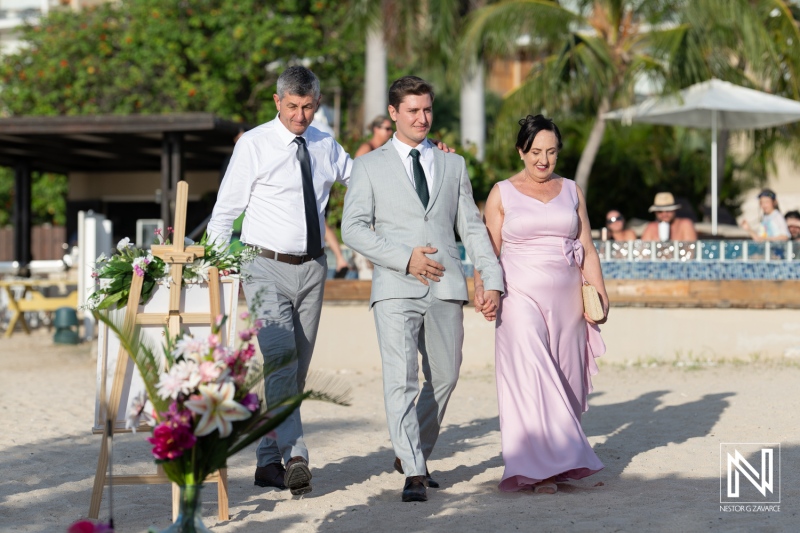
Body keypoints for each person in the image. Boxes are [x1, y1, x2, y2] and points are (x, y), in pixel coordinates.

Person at [341, 76, 503, 503]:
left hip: (447, 284)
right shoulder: (368, 165)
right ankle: (414, 470)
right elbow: (352, 229)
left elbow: (472, 227)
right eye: (412, 111)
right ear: (394, 113)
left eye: (427, 109)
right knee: (402, 379)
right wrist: (403, 257)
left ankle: (411, 450)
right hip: (395, 285)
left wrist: (493, 279)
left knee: (446, 377)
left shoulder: (454, 164)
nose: (422, 118)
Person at [207, 66, 353, 496]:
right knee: (279, 358)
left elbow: (365, 178)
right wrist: (213, 270)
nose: (300, 116)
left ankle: (267, 464)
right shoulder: (253, 144)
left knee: (294, 370)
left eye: (308, 107)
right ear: (277, 102)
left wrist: (424, 154)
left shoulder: (326, 145)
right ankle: (296, 454)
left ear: (317, 104)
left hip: (312, 269)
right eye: (292, 106)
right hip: (262, 267)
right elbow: (224, 211)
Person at [477, 114, 606, 494]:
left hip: (567, 299)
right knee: (531, 374)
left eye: (550, 152)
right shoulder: (502, 192)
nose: (543, 160)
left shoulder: (571, 190)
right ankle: (537, 469)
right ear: (521, 151)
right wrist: (484, 290)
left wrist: (599, 290)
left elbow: (587, 246)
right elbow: (487, 251)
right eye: (535, 152)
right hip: (518, 296)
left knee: (564, 378)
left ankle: (560, 461)